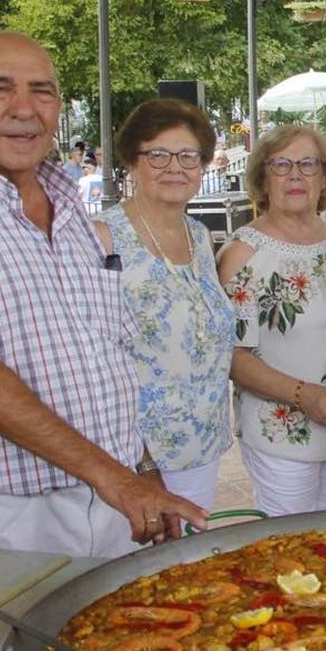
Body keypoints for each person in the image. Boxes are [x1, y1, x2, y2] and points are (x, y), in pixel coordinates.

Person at [0, 30, 205, 556]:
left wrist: (139, 468)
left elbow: (101, 353)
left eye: (42, 92)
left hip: (108, 494)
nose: (24, 109)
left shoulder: (65, 200)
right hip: (4, 503)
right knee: (10, 640)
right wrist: (116, 480)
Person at [91, 98, 235, 511]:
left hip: (201, 447)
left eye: (189, 156)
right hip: (131, 457)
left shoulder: (200, 236)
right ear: (131, 162)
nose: (175, 167)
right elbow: (91, 357)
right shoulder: (102, 238)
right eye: (158, 154)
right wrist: (140, 462)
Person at [219, 124, 326, 516]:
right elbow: (232, 356)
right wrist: (304, 396)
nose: (295, 175)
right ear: (264, 178)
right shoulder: (243, 254)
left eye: (308, 164)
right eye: (282, 165)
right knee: (293, 554)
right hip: (281, 437)